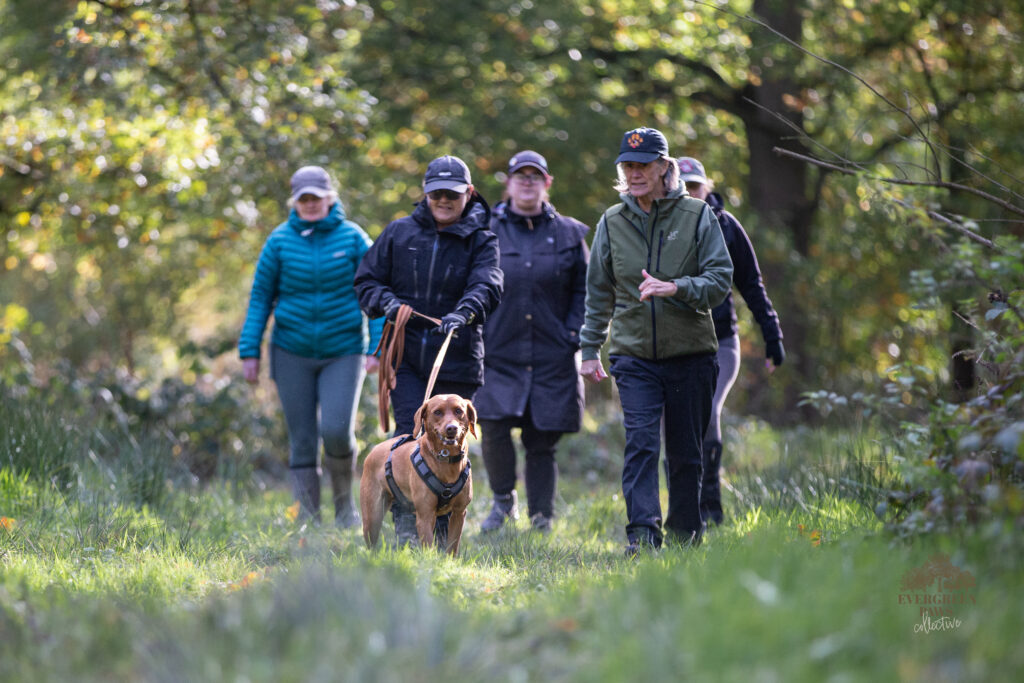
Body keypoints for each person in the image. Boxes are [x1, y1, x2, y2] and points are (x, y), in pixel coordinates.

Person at [579, 128, 733, 554]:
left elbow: (721, 281)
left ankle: (685, 536)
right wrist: (589, 349)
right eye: (627, 166)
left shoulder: (698, 216)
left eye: (643, 164)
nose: (634, 173)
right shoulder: (611, 221)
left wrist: (677, 288)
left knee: (686, 452)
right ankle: (643, 535)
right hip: (633, 356)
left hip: (691, 354)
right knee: (641, 444)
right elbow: (598, 291)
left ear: (665, 167)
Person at [354, 154, 503, 545]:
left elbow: (488, 285)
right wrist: (386, 302)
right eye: (435, 193)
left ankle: (442, 538)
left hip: (457, 354)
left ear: (468, 194)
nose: (443, 200)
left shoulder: (482, 239)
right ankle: (408, 531)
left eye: (451, 194)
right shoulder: (398, 233)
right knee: (410, 438)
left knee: (452, 441)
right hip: (405, 357)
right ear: (425, 193)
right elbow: (366, 281)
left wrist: (466, 313)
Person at [239, 165, 383, 526]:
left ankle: (344, 507)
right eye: (303, 199)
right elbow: (260, 299)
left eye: (316, 198)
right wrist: (249, 350)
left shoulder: (353, 238)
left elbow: (376, 292)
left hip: (344, 349)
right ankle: (307, 516)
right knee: (302, 437)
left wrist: (378, 347)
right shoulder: (279, 242)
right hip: (291, 351)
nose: (310, 204)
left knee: (336, 430)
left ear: (329, 199)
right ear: (295, 202)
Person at [473, 150, 590, 533]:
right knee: (493, 427)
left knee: (542, 440)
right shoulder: (482, 228)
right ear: (507, 182)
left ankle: (542, 517)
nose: (527, 182)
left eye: (534, 176)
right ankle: (502, 503)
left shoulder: (571, 234)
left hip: (552, 353)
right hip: (496, 350)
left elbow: (586, 291)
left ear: (547, 183)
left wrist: (573, 334)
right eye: (519, 175)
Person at [677, 156, 784, 526]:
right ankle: (682, 509)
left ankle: (711, 508)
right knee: (674, 426)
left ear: (707, 188)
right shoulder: (660, 225)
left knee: (706, 414)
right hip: (672, 345)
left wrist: (772, 336)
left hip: (720, 342)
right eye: (683, 185)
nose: (689, 192)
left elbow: (751, 285)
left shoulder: (726, 226)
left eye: (695, 186)